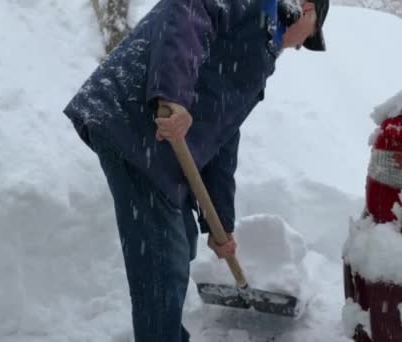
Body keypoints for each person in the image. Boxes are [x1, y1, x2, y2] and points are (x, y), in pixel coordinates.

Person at [63, 0, 329, 340]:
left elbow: (223, 136)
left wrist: (221, 225)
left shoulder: (259, 52)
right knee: (165, 259)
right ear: (307, 8)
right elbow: (187, 9)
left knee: (182, 241)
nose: (298, 47)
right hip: (133, 121)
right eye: (310, 37)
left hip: (156, 145)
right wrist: (174, 95)